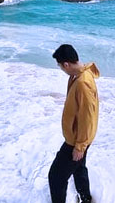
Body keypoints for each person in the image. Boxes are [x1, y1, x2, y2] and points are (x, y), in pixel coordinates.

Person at [48, 44, 100, 203]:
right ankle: (85, 198)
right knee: (79, 167)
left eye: (61, 67)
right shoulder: (81, 73)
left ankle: (83, 197)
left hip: (77, 139)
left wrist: (80, 146)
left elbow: (87, 117)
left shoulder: (82, 83)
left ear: (66, 64)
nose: (62, 70)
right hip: (82, 137)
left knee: (56, 177)